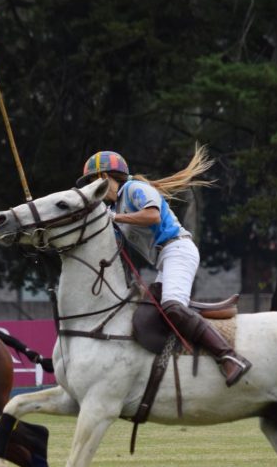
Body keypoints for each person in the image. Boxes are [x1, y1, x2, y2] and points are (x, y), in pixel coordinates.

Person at [76, 148, 252, 386]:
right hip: (164, 259)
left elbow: (152, 216)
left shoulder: (133, 189)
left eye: (91, 183)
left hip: (178, 249)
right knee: (148, 313)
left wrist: (115, 219)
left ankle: (228, 357)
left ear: (104, 178)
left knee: (171, 306)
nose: (91, 191)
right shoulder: (113, 208)